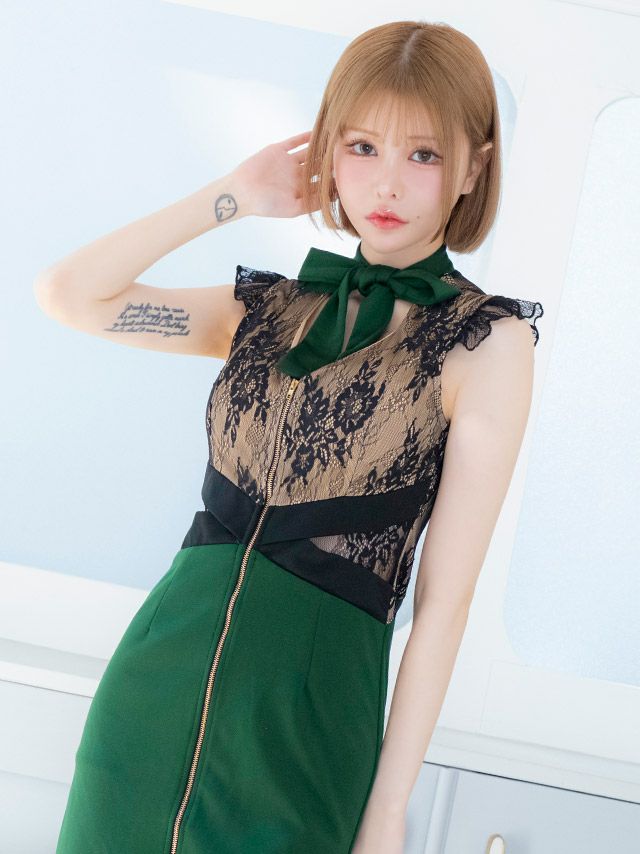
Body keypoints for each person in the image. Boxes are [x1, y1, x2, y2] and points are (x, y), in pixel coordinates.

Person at [36, 19, 543, 854]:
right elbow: (70, 295)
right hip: (152, 698)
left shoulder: (486, 345)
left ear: (473, 168)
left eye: (423, 154)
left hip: (307, 730)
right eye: (361, 146)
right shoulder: (266, 312)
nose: (387, 182)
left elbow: (443, 607)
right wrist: (231, 196)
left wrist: (385, 814)